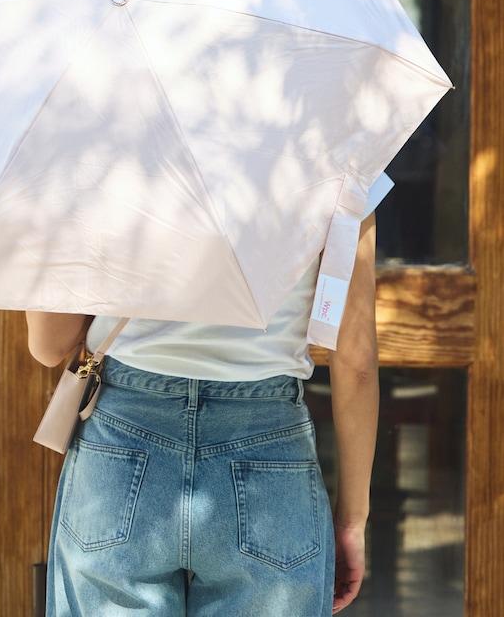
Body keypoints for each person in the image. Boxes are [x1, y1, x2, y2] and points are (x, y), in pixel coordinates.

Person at [27, 209, 379, 616]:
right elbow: (357, 364)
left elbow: (49, 346)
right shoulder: (343, 152)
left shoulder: (98, 151)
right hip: (268, 449)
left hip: (122, 445)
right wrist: (353, 520)